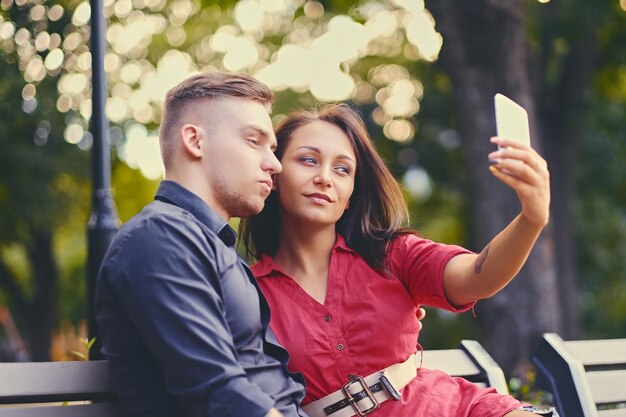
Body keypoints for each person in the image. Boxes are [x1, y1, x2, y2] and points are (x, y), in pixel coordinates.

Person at [241, 103, 556, 417]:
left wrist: (531, 218)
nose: (325, 178)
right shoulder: (245, 291)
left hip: (451, 408)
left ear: (352, 193)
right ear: (275, 173)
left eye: (342, 169)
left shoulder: (391, 253)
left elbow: (478, 276)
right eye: (308, 160)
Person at [95, 73, 308, 417]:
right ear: (195, 141)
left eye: (272, 149)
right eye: (254, 141)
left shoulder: (206, 242)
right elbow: (217, 393)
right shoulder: (158, 237)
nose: (275, 164)